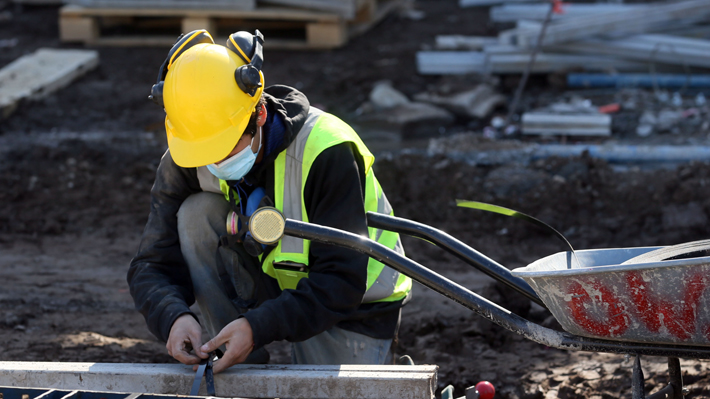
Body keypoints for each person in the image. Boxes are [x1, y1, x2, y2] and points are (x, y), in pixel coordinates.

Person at [127, 29, 411, 373]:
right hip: (273, 280)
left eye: (224, 145)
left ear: (259, 115)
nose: (213, 162)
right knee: (195, 214)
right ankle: (231, 361)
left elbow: (342, 280)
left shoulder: (327, 151)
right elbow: (150, 264)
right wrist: (173, 317)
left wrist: (258, 326)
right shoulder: (190, 153)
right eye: (204, 150)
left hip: (352, 305)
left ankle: (252, 336)